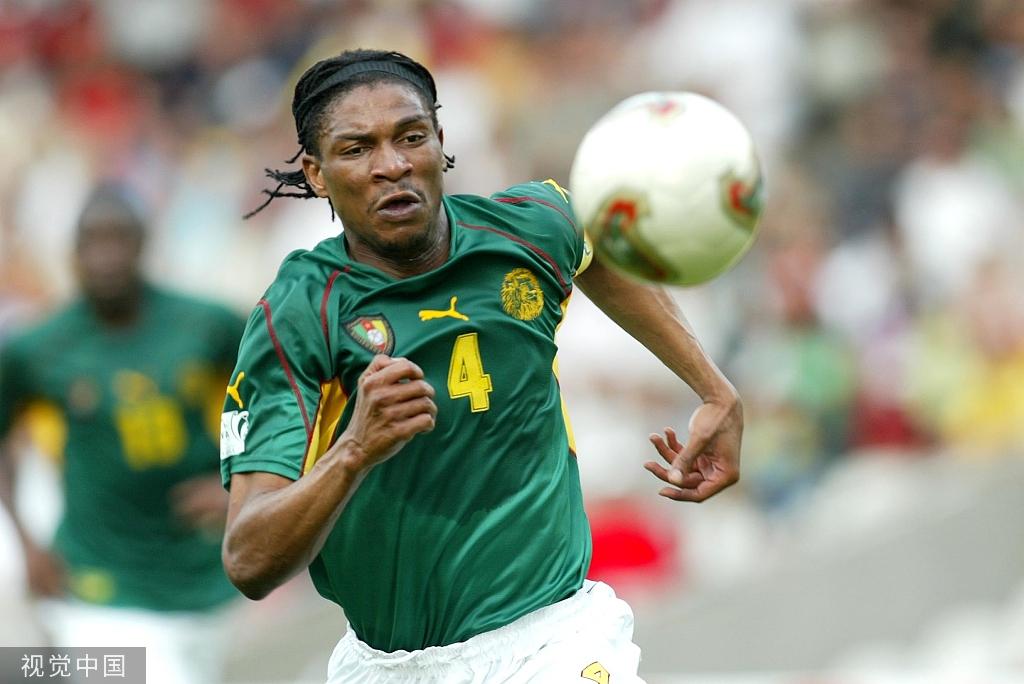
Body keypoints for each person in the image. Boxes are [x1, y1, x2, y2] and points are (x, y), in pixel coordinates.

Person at [221, 49, 743, 683]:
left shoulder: (529, 230)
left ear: (440, 142)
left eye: (411, 137)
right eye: (357, 149)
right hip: (390, 665)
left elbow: (596, 249)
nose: (392, 165)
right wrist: (354, 450)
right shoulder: (299, 313)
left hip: (552, 638)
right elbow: (249, 560)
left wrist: (714, 389)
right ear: (317, 172)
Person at [0, 184, 245, 684]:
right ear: (73, 254)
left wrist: (241, 485)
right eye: (91, 242)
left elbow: (279, 396)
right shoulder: (40, 347)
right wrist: (25, 542)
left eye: (118, 239)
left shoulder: (206, 324)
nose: (105, 256)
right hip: (96, 576)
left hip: (200, 569)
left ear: (143, 243)